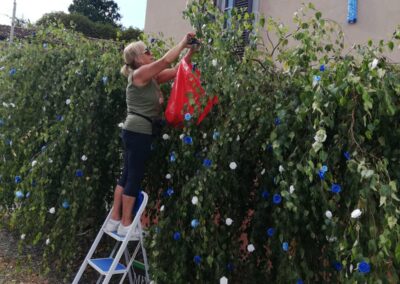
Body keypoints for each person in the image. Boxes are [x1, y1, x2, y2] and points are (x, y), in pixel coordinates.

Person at [105, 33, 196, 236]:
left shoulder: (150, 77)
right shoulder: (139, 74)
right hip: (139, 131)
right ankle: (127, 223)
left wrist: (190, 52)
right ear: (138, 58)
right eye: (147, 51)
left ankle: (115, 219)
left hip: (134, 130)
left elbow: (176, 70)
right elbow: (165, 61)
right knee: (133, 177)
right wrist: (181, 42)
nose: (150, 53)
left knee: (126, 175)